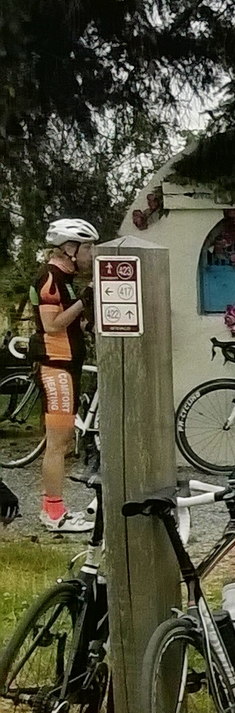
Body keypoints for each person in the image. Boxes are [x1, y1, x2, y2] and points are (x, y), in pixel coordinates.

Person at [33, 218, 97, 532]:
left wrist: (87, 322)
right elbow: (52, 325)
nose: (92, 254)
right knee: (58, 444)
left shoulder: (67, 279)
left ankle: (52, 509)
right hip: (55, 363)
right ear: (69, 248)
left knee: (64, 440)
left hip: (67, 362)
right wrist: (85, 300)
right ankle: (54, 513)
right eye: (88, 247)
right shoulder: (51, 277)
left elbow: (71, 323)